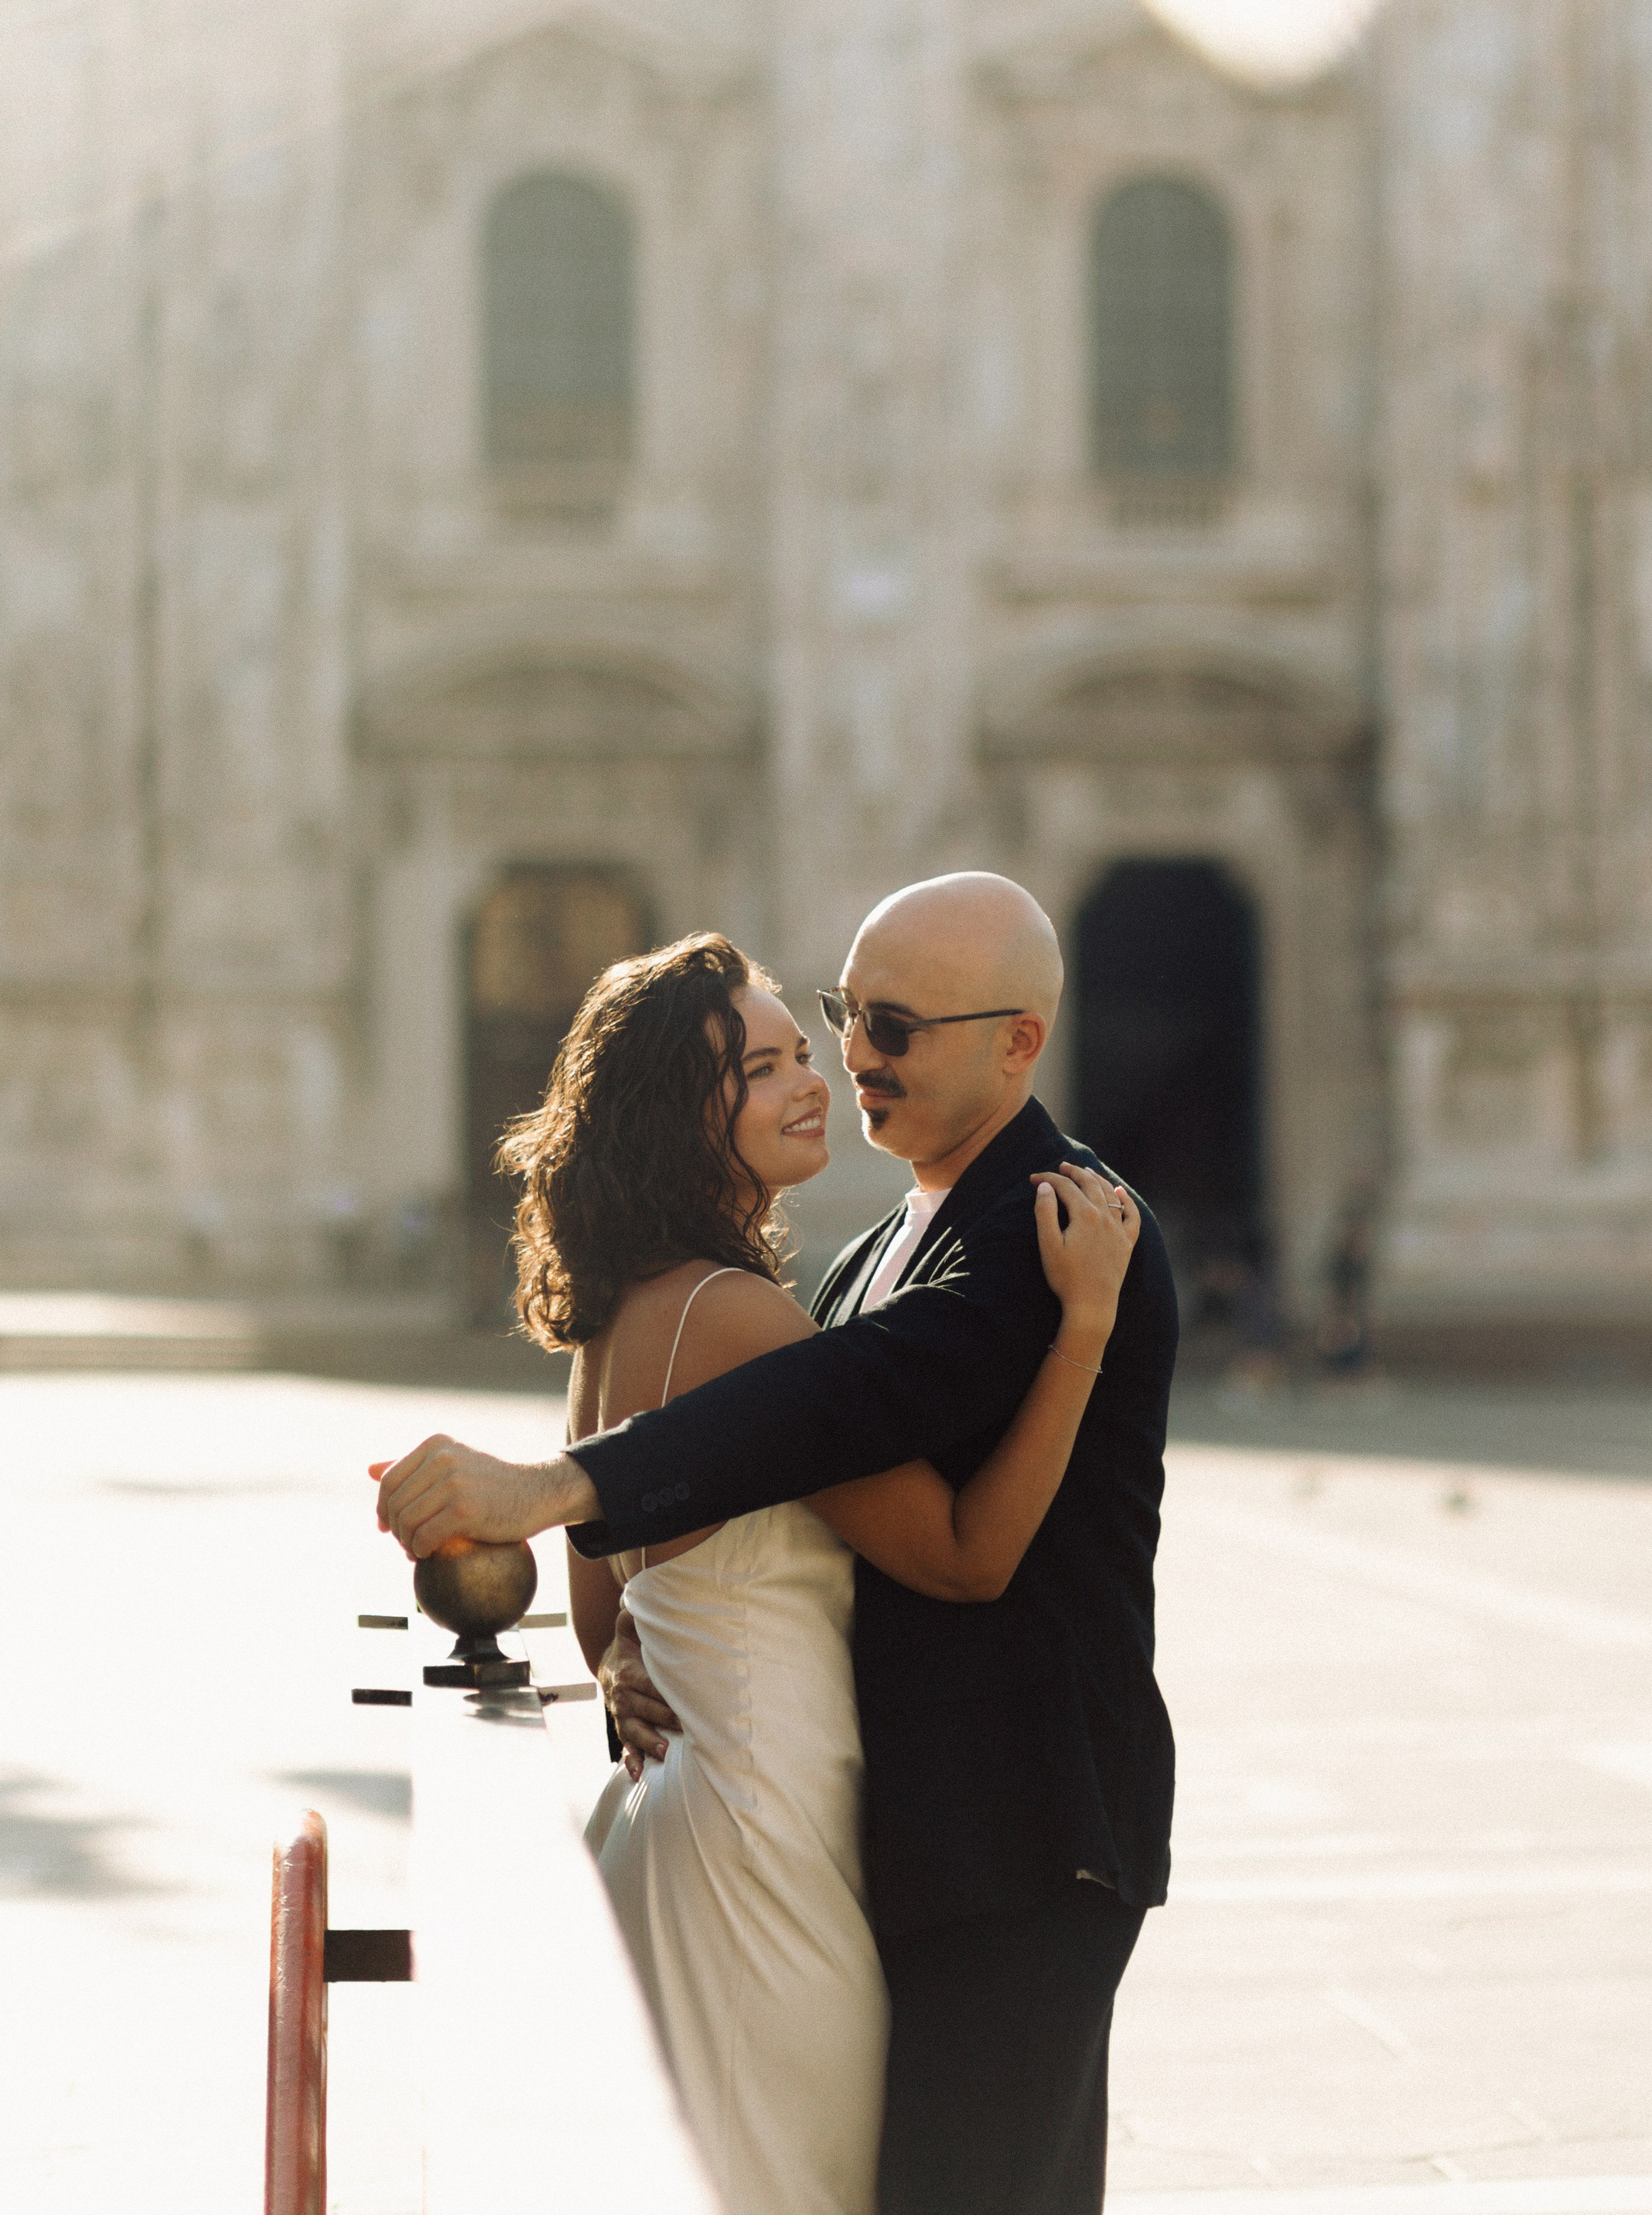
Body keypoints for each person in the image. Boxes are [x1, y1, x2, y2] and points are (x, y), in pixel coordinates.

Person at [376, 870, 1179, 2215]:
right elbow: (781, 1436)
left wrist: (558, 1495)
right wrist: (642, 1627)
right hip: (868, 1834)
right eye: (839, 1019)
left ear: (1017, 1042)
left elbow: (842, 1422)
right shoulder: (857, 1262)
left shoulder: (1055, 1225)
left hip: (1019, 1833)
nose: (855, 1058)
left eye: (891, 1028)